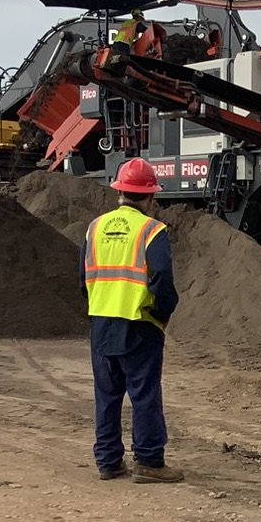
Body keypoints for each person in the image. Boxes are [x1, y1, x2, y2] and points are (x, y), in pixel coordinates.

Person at [82, 158, 182, 482]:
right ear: (150, 198)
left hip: (101, 323)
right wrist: (162, 312)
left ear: (120, 193)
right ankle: (150, 462)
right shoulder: (152, 230)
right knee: (144, 395)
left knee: (107, 396)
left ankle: (109, 462)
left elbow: (83, 277)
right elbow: (162, 278)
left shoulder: (94, 228)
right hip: (139, 323)